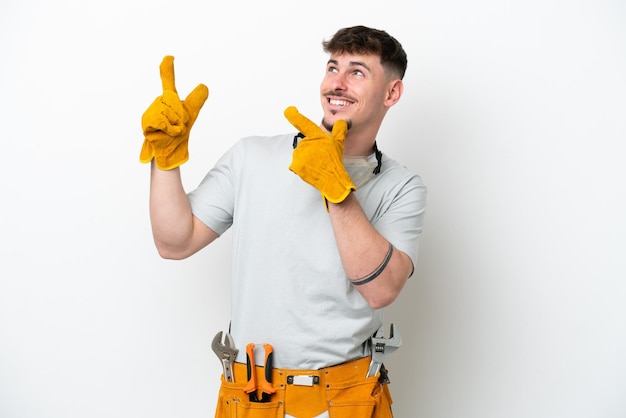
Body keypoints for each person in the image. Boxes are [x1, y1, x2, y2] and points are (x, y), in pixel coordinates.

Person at [139, 25, 426, 418]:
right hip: (251, 396)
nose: (337, 84)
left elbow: (380, 290)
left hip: (345, 400)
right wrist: (165, 157)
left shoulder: (401, 186)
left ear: (392, 92)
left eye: (357, 72)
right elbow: (174, 242)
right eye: (332, 67)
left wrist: (336, 190)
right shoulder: (251, 157)